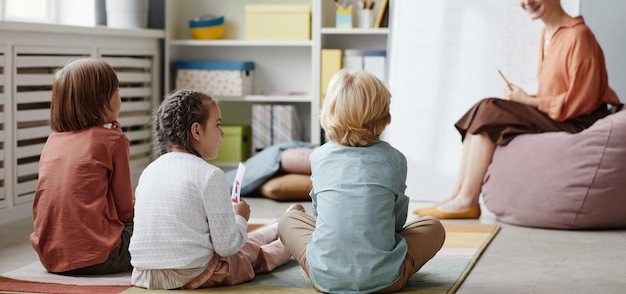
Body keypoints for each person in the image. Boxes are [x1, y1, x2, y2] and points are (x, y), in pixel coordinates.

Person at [415, 0, 622, 220]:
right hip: (559, 115)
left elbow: (581, 100)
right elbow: (557, 92)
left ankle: (467, 199)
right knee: (486, 112)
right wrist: (527, 99)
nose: (527, 0)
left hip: (578, 122)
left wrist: (527, 101)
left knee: (490, 108)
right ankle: (457, 196)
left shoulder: (578, 35)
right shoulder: (547, 34)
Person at [278, 69, 446, 294]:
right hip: (388, 280)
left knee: (287, 221)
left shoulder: (318, 157)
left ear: (329, 112)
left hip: (324, 278)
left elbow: (320, 219)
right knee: (433, 227)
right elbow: (397, 222)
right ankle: (383, 268)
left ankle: (324, 258)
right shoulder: (395, 159)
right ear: (384, 115)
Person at [129, 89, 296, 290]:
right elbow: (227, 246)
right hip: (191, 274)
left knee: (239, 242)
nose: (222, 133)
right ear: (196, 131)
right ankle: (289, 236)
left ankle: (275, 228)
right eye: (217, 125)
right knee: (249, 255)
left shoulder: (148, 171)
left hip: (145, 275)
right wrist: (241, 217)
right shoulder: (209, 174)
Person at [30, 58, 134, 275]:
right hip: (102, 256)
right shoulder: (114, 142)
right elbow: (125, 211)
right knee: (155, 218)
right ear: (102, 100)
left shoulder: (53, 140)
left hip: (50, 258)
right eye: (116, 91)